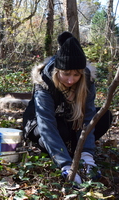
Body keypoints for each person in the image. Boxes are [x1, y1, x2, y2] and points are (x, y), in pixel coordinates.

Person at [23, 31, 113, 185]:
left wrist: (87, 156)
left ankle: (78, 151)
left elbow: (88, 118)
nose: (71, 80)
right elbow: (47, 126)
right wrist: (65, 164)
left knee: (104, 116)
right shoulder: (44, 82)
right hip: (39, 125)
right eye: (66, 74)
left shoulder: (87, 82)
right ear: (57, 71)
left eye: (76, 75)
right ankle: (64, 152)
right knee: (60, 131)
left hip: (69, 122)